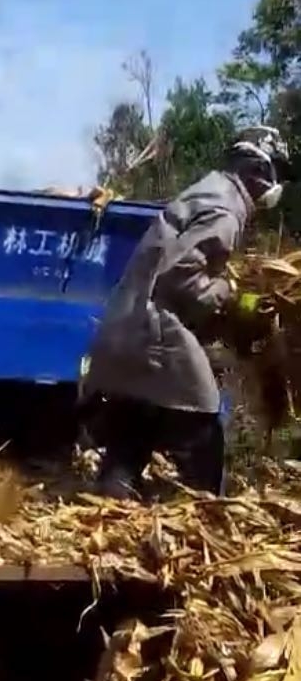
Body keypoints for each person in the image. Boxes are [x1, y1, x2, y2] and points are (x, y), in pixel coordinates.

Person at [82, 126, 289, 499]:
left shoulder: (210, 191)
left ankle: (114, 487)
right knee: (200, 417)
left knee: (141, 406)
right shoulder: (226, 211)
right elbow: (181, 276)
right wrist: (230, 295)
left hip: (130, 318)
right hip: (156, 323)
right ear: (257, 170)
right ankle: (204, 504)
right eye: (275, 170)